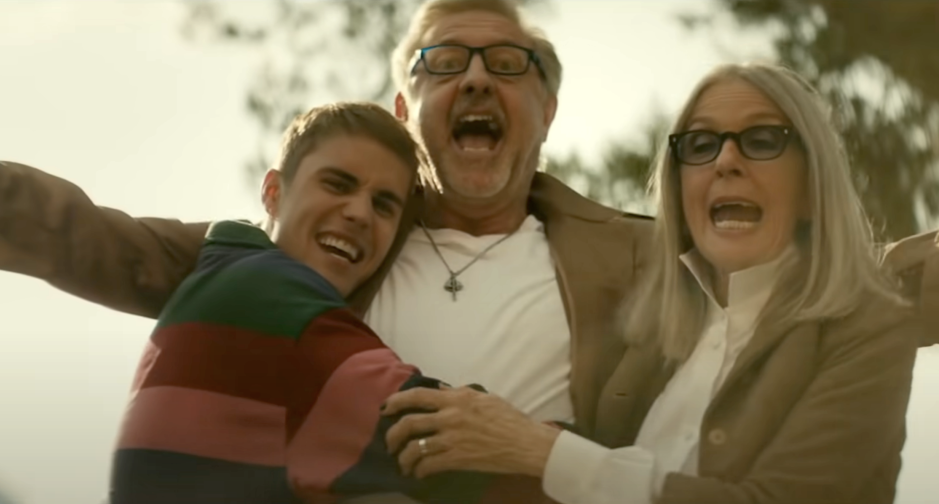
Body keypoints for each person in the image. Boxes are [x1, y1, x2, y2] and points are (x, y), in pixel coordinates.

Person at [0, 0, 653, 442]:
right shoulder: (330, 244)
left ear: (549, 110)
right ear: (402, 110)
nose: (475, 80)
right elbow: (88, 238)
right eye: (443, 63)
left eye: (507, 64)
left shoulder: (639, 256)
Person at [380, 62, 922, 504]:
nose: (726, 160)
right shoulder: (652, 333)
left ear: (811, 186)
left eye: (761, 139)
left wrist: (540, 451)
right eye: (701, 144)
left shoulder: (869, 328)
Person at [109, 103, 556, 504]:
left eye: (384, 206)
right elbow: (450, 439)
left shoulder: (223, 277)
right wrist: (577, 455)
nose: (359, 213)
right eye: (337, 184)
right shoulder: (272, 301)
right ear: (273, 193)